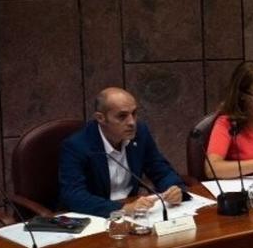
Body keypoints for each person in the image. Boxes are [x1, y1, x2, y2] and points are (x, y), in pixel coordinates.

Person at [58, 87, 186, 218]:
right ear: (100, 118)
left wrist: (173, 188)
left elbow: (161, 170)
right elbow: (74, 195)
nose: (131, 122)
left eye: (134, 113)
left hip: (135, 213)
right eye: (122, 116)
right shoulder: (77, 145)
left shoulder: (140, 133)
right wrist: (122, 209)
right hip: (98, 215)